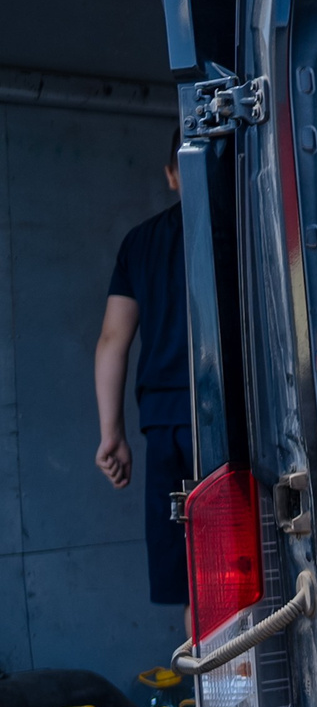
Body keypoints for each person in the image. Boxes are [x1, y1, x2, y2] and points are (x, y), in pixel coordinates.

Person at [94, 132, 191, 607]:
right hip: (230, 421)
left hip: (164, 425)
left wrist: (111, 434)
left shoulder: (140, 243)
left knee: (194, 581)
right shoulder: (241, 230)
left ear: (172, 175)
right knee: (245, 566)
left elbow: (113, 340)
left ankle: (206, 659)